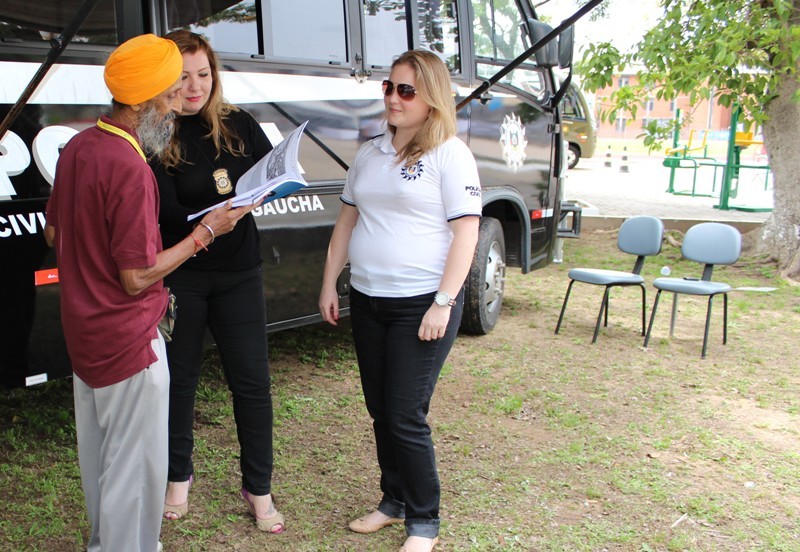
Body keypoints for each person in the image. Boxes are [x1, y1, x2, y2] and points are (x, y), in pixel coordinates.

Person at [44, 34, 256, 552]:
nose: (175, 105)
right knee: (133, 478)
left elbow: (54, 234)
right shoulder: (130, 166)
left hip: (85, 334)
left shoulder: (78, 145)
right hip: (128, 340)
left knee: (101, 466)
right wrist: (206, 232)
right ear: (144, 101)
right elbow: (136, 276)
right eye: (168, 94)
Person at [319, 50, 482, 552]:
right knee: (380, 409)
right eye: (389, 87)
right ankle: (393, 501)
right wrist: (330, 283)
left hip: (422, 305)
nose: (393, 97)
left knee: (406, 412)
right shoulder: (370, 152)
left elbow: (467, 234)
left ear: (431, 97)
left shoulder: (450, 153)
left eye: (405, 90)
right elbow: (347, 221)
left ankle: (424, 521)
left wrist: (444, 301)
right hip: (369, 299)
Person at [150, 30, 283, 533]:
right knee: (178, 382)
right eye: (182, 77)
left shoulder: (239, 122)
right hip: (182, 274)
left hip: (239, 273)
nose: (194, 86)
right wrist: (211, 222)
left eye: (203, 74)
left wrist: (257, 197)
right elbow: (167, 213)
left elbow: (269, 173)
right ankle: (177, 479)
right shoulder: (157, 132)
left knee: (252, 383)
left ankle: (259, 487)